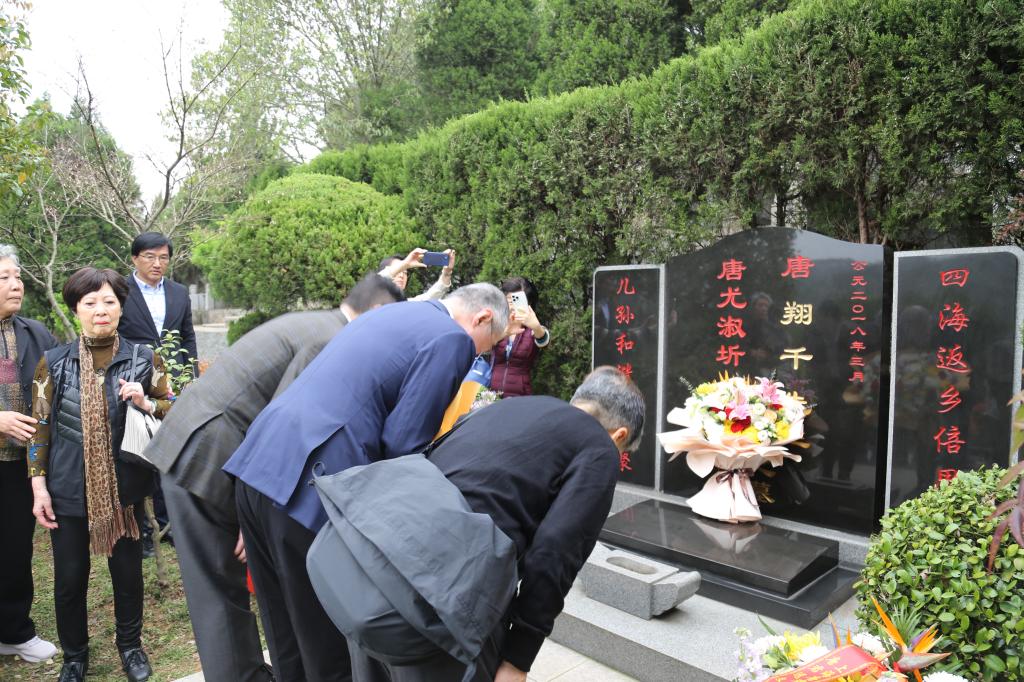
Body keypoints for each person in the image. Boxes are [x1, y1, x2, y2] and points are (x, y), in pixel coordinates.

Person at [224, 283, 509, 682]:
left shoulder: (391, 313)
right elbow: (404, 442)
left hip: (261, 461)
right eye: (487, 345)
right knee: (324, 638)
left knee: (283, 630)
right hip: (312, 482)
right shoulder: (451, 338)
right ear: (482, 318)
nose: (478, 356)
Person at [144, 274, 404, 682]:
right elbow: (282, 424)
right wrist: (256, 513)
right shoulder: (331, 339)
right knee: (218, 591)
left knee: (217, 587)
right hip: (209, 453)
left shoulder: (316, 323)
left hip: (193, 442)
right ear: (377, 312)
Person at [346, 366, 645, 682]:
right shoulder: (599, 447)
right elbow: (555, 552)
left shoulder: (512, 407)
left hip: (370, 564)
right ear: (619, 435)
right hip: (440, 597)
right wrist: (518, 659)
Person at [28, 267, 172, 682]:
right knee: (70, 580)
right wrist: (39, 486)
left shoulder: (145, 359)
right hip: (69, 489)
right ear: (77, 309)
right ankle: (75, 657)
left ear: (121, 307)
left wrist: (146, 402)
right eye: (90, 302)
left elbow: (172, 409)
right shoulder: (53, 362)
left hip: (124, 491)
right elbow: (40, 428)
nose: (100, 310)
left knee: (127, 576)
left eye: (109, 301)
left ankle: (131, 647)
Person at [118, 232, 196, 554]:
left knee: (170, 449)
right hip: (132, 381)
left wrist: (189, 378)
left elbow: (187, 337)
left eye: (163, 257)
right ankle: (143, 529)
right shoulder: (120, 291)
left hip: (172, 382)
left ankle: (167, 524)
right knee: (138, 449)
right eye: (150, 256)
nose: (157, 263)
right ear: (135, 258)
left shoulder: (179, 292)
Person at [0, 245, 59, 665]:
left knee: (14, 550)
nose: (16, 284)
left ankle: (13, 632)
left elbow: (64, 382)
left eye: (17, 276)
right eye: (3, 278)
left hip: (19, 466)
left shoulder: (35, 333)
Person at [491, 277, 549, 397]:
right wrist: (504, 333)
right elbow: (482, 346)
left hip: (520, 394)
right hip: (491, 394)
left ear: (528, 303)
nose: (512, 306)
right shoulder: (497, 325)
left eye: (516, 300)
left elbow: (543, 340)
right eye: (509, 300)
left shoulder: (532, 329)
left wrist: (536, 327)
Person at [378, 247, 456, 300]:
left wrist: (447, 272)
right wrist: (404, 264)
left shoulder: (408, 305)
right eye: (398, 271)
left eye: (405, 272)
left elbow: (432, 296)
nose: (401, 276)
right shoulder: (374, 302)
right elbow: (375, 282)